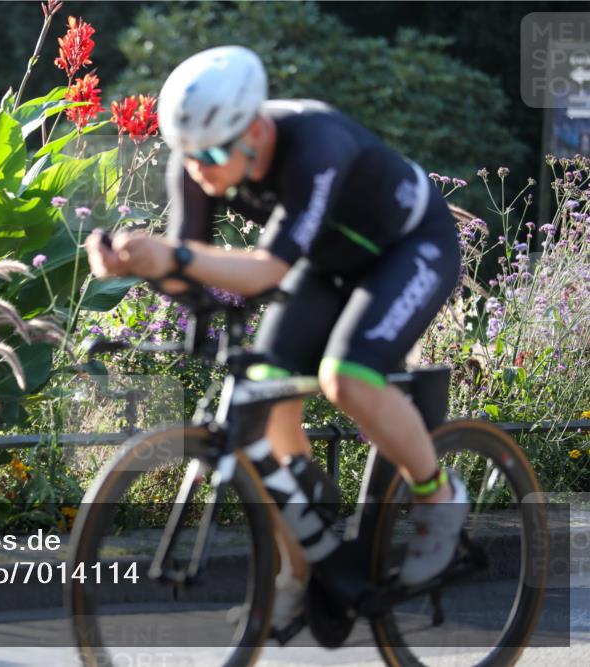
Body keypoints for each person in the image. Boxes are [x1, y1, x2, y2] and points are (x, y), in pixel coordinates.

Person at [85, 45, 469, 629]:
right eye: (186, 156)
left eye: (212, 155)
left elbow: (265, 271)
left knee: (347, 378)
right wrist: (134, 262)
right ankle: (301, 570)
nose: (199, 170)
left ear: (256, 130)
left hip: (411, 246)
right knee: (264, 407)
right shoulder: (200, 160)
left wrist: (175, 255)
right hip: (327, 264)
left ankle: (437, 497)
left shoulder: (314, 144)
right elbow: (192, 273)